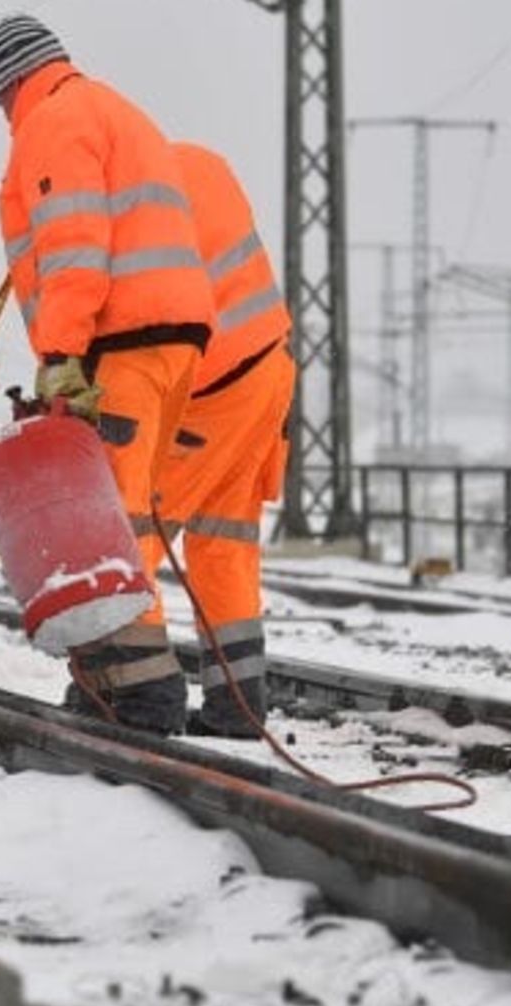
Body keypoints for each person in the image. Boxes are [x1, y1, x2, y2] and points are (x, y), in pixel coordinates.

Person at [0, 13, 216, 732]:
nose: (4, 119)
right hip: (172, 341)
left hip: (119, 340)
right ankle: (103, 681)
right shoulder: (115, 108)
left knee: (109, 524)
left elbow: (75, 247)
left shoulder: (55, 120)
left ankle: (143, 692)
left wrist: (59, 356)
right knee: (128, 510)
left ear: (10, 83)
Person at [153, 141, 295, 738]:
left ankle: (128, 691)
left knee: (132, 532)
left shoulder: (134, 195)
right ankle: (237, 706)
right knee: (223, 545)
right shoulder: (202, 165)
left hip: (212, 383)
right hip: (269, 370)